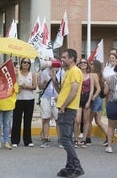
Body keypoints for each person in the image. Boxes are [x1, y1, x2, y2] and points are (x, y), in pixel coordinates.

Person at [55, 49, 85, 177]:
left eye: (64, 57)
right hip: (64, 108)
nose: (62, 59)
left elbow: (73, 91)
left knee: (65, 139)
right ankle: (70, 167)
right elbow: (62, 90)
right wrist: (53, 78)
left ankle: (77, 167)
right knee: (67, 138)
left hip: (68, 109)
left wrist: (64, 106)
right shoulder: (68, 72)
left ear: (71, 58)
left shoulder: (75, 71)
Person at [11, 58, 36, 147]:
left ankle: (28, 140)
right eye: (24, 62)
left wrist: (27, 87)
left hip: (29, 99)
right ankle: (15, 140)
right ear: (21, 63)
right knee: (16, 120)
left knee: (28, 120)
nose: (26, 64)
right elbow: (13, 85)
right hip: (19, 99)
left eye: (28, 63)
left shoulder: (32, 74)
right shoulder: (17, 73)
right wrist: (19, 87)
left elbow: (34, 87)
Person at [37, 67, 61, 148]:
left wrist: (54, 77)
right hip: (46, 97)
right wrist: (45, 81)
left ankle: (60, 140)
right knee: (46, 119)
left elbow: (62, 87)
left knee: (58, 119)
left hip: (56, 98)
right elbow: (40, 87)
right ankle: (45, 139)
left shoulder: (60, 72)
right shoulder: (44, 72)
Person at [0, 79, 18, 150]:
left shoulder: (12, 79)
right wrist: (3, 86)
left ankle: (6, 141)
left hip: (9, 104)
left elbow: (17, 90)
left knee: (7, 124)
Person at [73, 58, 94, 148]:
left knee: (86, 120)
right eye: (81, 62)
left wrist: (89, 101)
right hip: (77, 98)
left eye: (85, 62)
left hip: (86, 97)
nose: (83, 64)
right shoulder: (77, 73)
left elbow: (92, 89)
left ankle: (84, 140)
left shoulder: (91, 75)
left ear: (87, 64)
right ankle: (76, 139)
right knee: (77, 120)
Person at [87, 60, 107, 145]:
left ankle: (88, 139)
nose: (90, 65)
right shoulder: (100, 76)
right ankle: (109, 136)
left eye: (91, 64)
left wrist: (93, 97)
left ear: (95, 66)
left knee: (88, 120)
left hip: (94, 99)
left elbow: (97, 89)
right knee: (98, 121)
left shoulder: (93, 75)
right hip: (99, 99)